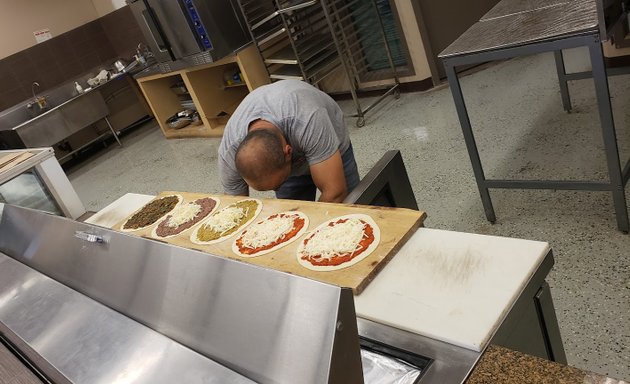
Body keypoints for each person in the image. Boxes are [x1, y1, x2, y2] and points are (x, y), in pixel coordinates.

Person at [218, 80, 360, 203]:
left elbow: (335, 193)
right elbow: (237, 210)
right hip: (284, 161)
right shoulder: (229, 152)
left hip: (326, 139)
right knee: (293, 215)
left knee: (354, 207)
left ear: (288, 152)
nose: (274, 190)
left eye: (277, 186)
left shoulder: (307, 119)